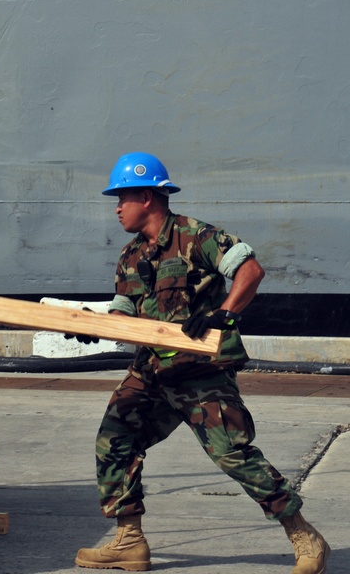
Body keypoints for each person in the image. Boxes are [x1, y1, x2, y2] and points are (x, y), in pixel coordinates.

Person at [74, 152, 329, 573]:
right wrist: (92, 327)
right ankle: (129, 541)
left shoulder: (197, 236)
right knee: (114, 440)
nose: (117, 207)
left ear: (148, 197)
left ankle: (304, 536)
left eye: (122, 197)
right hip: (151, 372)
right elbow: (122, 316)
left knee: (233, 453)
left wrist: (224, 313)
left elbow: (250, 270)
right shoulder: (130, 255)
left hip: (200, 373)